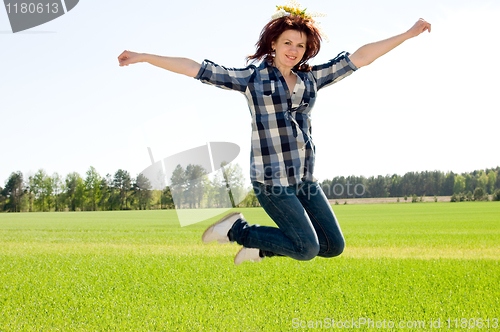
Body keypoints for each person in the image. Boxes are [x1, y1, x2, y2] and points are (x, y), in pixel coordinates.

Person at [118, 3, 431, 266]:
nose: (293, 50)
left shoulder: (311, 79)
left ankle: (262, 248)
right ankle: (237, 229)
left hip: (304, 178)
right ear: (273, 44)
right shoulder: (251, 80)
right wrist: (144, 56)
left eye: (300, 45)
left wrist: (407, 34)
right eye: (287, 43)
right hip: (272, 180)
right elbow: (196, 68)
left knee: (332, 247)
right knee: (307, 249)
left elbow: (360, 58)